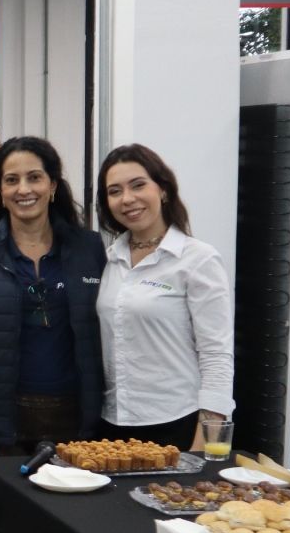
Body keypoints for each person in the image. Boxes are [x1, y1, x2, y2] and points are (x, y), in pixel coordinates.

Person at [0, 136, 107, 465]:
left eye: (34, 177)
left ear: (52, 186)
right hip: (0, 429)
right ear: (1, 193)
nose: (24, 189)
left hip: (78, 428)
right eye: (11, 180)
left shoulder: (90, 249)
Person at [96, 144, 235, 448]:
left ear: (163, 190)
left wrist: (207, 441)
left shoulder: (197, 259)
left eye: (138, 185)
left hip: (177, 425)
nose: (127, 199)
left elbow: (216, 356)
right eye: (115, 191)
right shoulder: (106, 260)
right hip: (111, 425)